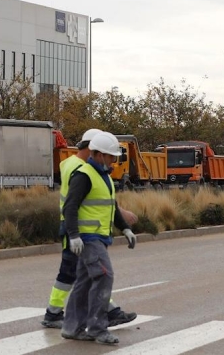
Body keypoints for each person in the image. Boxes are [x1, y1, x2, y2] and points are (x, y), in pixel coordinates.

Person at [42, 129, 137, 329]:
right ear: (95, 150)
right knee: (79, 273)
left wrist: (122, 224)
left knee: (88, 274)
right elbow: (78, 201)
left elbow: (100, 199)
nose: (111, 160)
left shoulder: (74, 165)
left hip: (83, 229)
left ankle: (106, 312)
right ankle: (56, 313)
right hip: (79, 229)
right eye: (109, 154)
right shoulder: (81, 169)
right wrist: (75, 234)